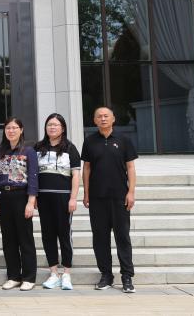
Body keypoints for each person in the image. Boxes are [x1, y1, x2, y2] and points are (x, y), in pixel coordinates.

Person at [82, 106, 138, 293]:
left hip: (119, 197)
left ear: (113, 118)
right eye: (99, 116)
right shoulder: (89, 141)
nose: (103, 119)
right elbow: (87, 168)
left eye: (106, 116)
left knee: (122, 237)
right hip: (97, 198)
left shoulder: (123, 140)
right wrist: (86, 193)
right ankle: (106, 275)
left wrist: (131, 192)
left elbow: (130, 167)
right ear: (94, 120)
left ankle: (127, 276)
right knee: (100, 238)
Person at [34, 113, 81, 291]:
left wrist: (73, 198)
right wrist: (34, 197)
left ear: (63, 128)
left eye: (56, 125)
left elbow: (75, 175)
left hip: (63, 197)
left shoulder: (70, 148)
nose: (52, 127)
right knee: (48, 235)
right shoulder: (38, 147)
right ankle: (53, 273)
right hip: (43, 198)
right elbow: (33, 174)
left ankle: (66, 273)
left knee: (64, 235)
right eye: (49, 125)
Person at [0, 117, 39, 291]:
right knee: (8, 239)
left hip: (22, 196)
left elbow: (34, 177)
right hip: (4, 197)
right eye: (8, 128)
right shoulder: (1, 151)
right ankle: (13, 276)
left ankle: (29, 277)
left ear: (21, 130)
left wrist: (31, 201)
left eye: (14, 128)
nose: (11, 131)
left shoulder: (29, 151)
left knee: (25, 238)